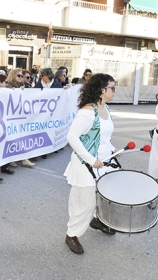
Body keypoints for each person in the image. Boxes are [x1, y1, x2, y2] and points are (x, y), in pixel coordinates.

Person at [63, 73, 119, 254]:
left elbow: (104, 136)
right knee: (84, 202)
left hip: (103, 162)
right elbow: (72, 137)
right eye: (112, 87)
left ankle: (94, 219)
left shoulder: (105, 108)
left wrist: (112, 150)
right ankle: (72, 234)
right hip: (86, 164)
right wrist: (91, 160)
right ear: (102, 90)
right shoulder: (87, 112)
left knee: (101, 197)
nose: (114, 90)